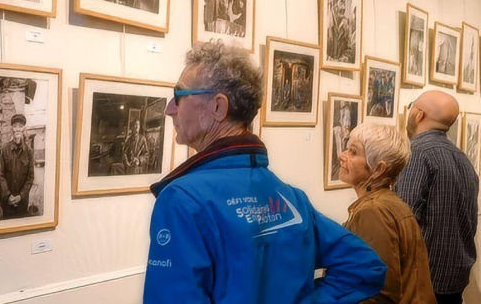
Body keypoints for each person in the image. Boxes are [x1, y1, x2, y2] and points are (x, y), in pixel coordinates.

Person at [143, 40, 386, 304]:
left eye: (179, 96)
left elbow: (365, 267)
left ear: (218, 107)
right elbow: (364, 267)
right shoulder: (291, 199)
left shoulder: (182, 200)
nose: (169, 109)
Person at [396, 91, 479, 304]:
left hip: (424, 279)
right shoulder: (463, 159)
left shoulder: (417, 153)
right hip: (455, 278)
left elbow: (404, 218)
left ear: (419, 115)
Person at [339, 124, 436, 303]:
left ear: (378, 169)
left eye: (353, 152)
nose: (342, 156)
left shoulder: (373, 211)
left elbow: (378, 292)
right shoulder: (388, 203)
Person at [0, 114, 34, 219]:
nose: (17, 129)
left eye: (20, 126)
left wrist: (21, 196)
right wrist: (8, 195)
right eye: (15, 126)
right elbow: (0, 175)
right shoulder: (5, 149)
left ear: (24, 129)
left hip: (22, 202)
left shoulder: (28, 151)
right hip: (7, 201)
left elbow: (30, 177)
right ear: (12, 129)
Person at [326, 0, 356, 64]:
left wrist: (345, 58)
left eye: (344, 3)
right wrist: (335, 62)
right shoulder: (326, 27)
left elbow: (350, 50)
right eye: (340, 3)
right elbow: (322, 54)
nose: (343, 8)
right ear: (333, 5)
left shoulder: (347, 26)